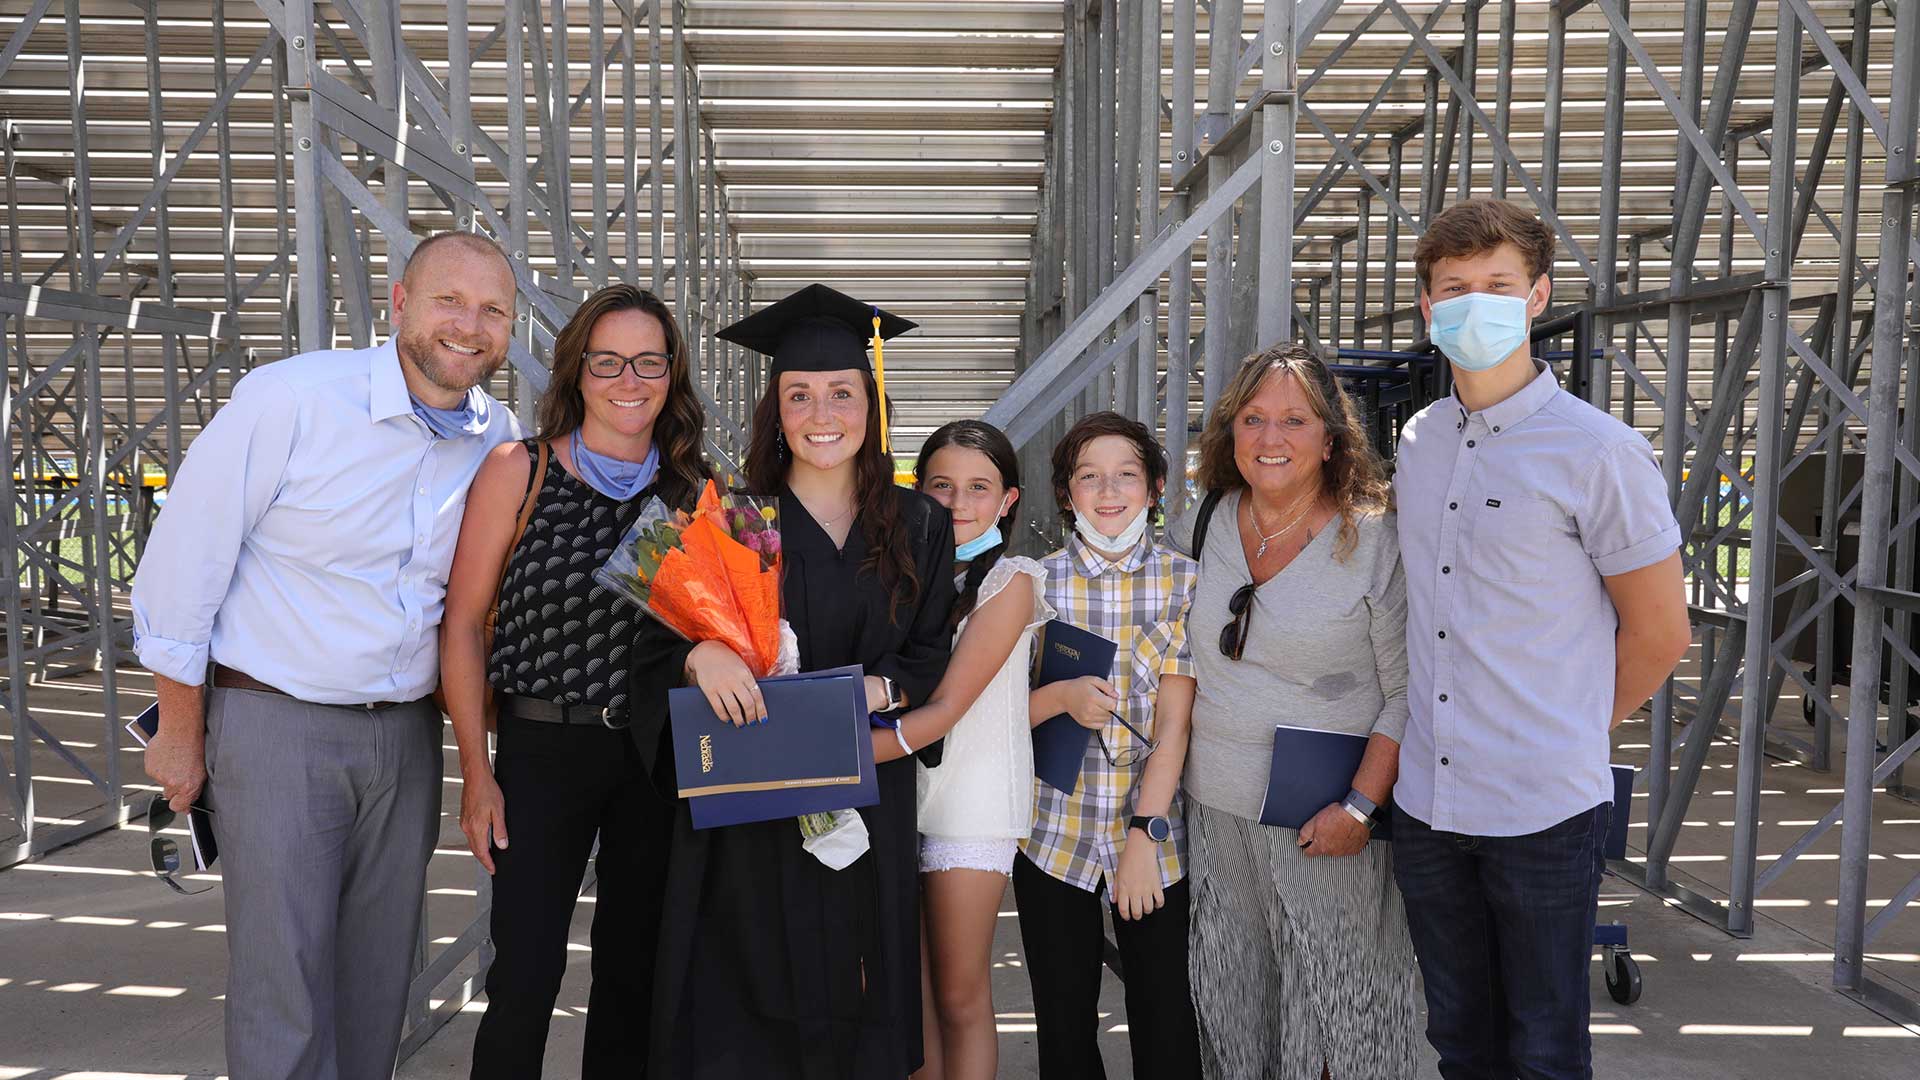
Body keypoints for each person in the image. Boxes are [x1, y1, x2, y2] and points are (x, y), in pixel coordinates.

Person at [130, 231, 521, 1078]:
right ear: (399, 304)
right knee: (285, 983)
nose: (470, 325)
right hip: (277, 727)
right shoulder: (292, 401)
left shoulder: (499, 439)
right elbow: (182, 568)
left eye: (493, 310)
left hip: (404, 740)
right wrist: (182, 731)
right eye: (449, 300)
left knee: (378, 984)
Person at [1392, 198, 1691, 1080]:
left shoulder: (1599, 452)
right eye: (1455, 288)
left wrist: (1563, 726)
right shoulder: (1419, 440)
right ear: (1428, 307)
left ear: (1538, 296)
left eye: (1498, 285)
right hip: (1428, 806)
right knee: (1460, 1041)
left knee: (1547, 1048)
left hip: (1541, 811)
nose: (1475, 303)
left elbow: (1660, 630)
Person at [631, 283, 958, 1079]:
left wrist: (878, 693)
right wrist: (694, 656)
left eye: (842, 393)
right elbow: (650, 644)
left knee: (859, 988)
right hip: (754, 808)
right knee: (748, 993)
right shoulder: (728, 516)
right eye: (799, 395)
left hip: (865, 794)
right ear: (774, 411)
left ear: (870, 404)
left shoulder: (921, 523)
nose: (822, 414)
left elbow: (929, 653)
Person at [442, 284, 709, 1077]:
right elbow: (461, 624)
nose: (630, 379)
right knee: (525, 973)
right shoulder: (518, 471)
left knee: (633, 975)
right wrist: (477, 773)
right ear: (578, 372)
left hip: (653, 759)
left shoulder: (693, 492)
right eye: (608, 361)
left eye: (649, 361)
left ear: (672, 373)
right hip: (540, 749)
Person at [1168, 344, 1417, 1079]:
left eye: (1294, 420)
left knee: (1342, 1007)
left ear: (1331, 439)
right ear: (1229, 433)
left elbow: (1408, 692)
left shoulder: (1373, 539)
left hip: (1327, 824)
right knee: (1235, 1002)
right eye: (1253, 419)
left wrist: (1362, 808)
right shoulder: (1200, 524)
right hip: (1215, 817)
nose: (1271, 439)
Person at [1017, 411, 1201, 1079]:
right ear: (1066, 493)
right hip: (1051, 836)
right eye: (1089, 477)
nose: (1109, 491)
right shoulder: (1033, 585)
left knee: (1167, 1021)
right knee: (1063, 1027)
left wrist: (1144, 839)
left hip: (1152, 840)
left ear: (1155, 488)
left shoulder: (1186, 583)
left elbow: (1176, 725)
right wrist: (1059, 701)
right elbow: (1005, 712)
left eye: (1127, 475)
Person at [876, 419, 1050, 1080]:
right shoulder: (895, 571)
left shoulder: (1011, 582)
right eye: (941, 485)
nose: (957, 501)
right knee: (910, 997)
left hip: (971, 801)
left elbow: (947, 696)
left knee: (959, 993)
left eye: (979, 487)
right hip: (899, 793)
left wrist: (837, 753)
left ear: (1007, 499)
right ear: (916, 490)